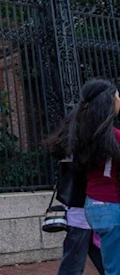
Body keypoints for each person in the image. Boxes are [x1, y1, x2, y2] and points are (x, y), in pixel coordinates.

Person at [46, 78, 120, 275]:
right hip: (92, 206)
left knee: (101, 260)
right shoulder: (101, 134)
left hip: (87, 206)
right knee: (77, 263)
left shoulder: (77, 131)